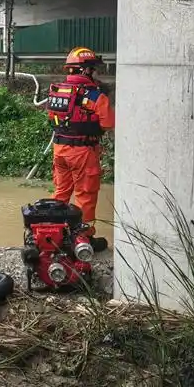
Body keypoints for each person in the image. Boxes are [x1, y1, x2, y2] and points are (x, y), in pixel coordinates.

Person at [45, 46, 114, 251]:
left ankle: (54, 234)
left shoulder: (59, 90)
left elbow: (53, 117)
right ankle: (82, 239)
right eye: (94, 69)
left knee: (61, 192)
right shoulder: (95, 96)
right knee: (85, 194)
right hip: (83, 152)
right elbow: (109, 123)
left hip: (60, 149)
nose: (96, 73)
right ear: (85, 70)